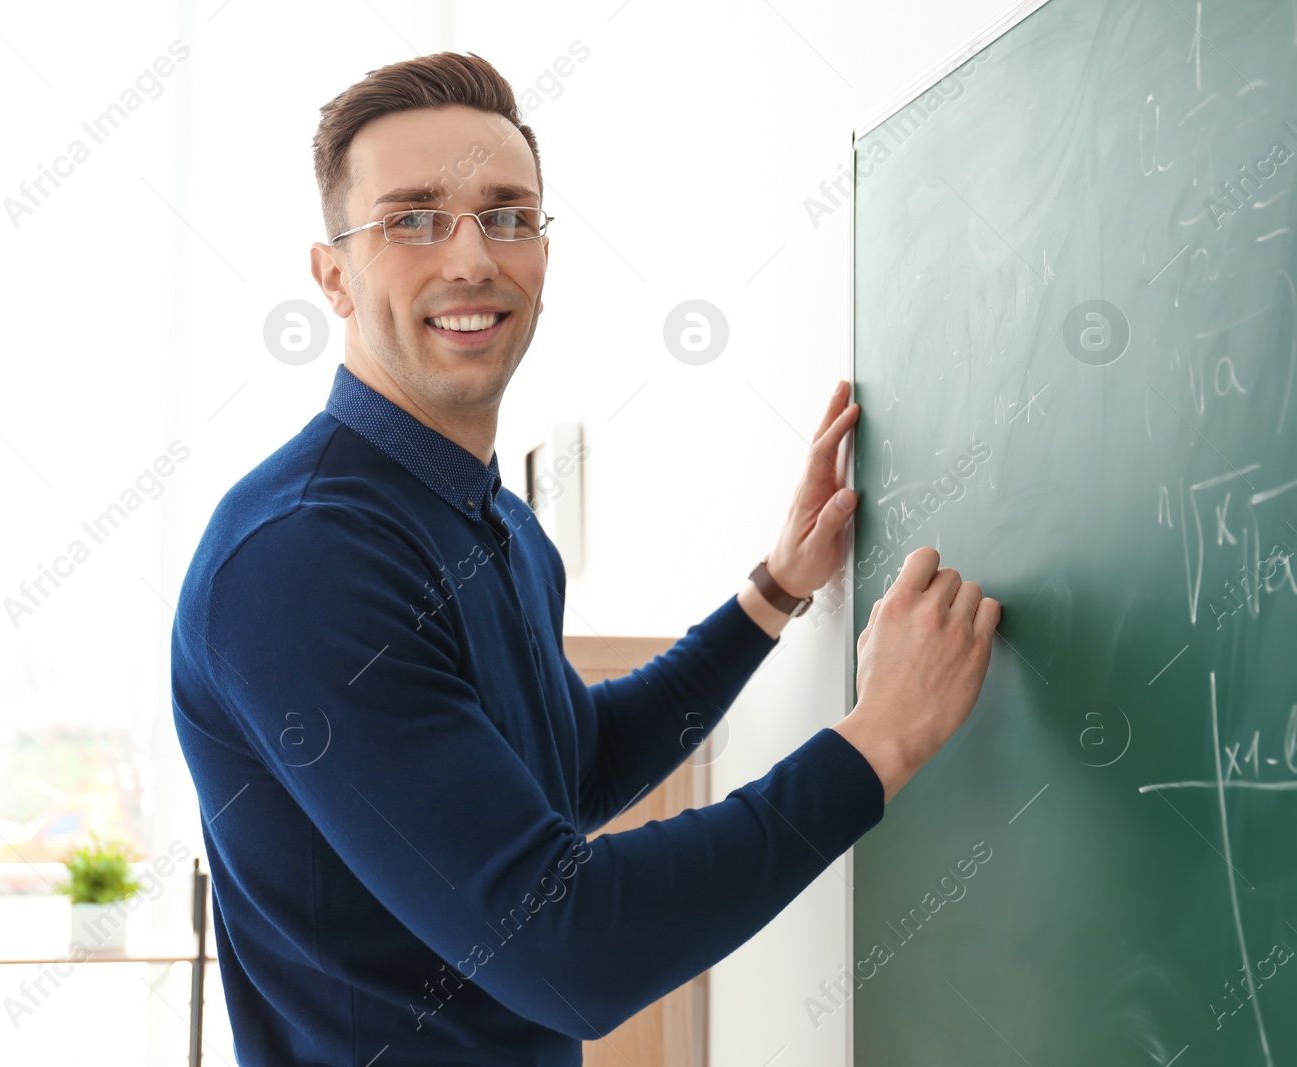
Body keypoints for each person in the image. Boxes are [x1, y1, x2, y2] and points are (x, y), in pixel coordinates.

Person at [170, 50, 1001, 1066]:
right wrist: (883, 737)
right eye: (414, 219)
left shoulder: (501, 526)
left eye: (508, 215)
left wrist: (773, 590)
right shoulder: (300, 557)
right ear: (331, 274)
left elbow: (571, 764)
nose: (471, 257)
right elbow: (567, 949)